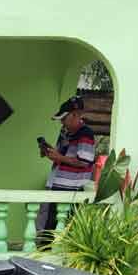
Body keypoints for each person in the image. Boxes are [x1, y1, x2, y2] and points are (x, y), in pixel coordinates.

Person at [36, 96, 97, 238]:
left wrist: (59, 157)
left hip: (72, 191)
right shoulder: (64, 132)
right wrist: (50, 152)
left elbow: (84, 161)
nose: (62, 122)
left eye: (64, 118)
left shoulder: (86, 134)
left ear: (75, 115)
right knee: (48, 229)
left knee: (62, 230)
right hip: (56, 185)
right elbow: (61, 156)